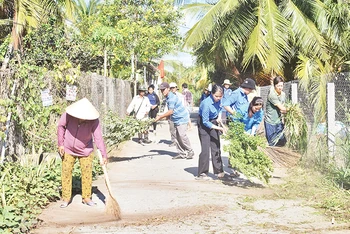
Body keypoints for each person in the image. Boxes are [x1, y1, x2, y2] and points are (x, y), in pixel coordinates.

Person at [57, 98, 108, 208]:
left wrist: (103, 155)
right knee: (66, 172)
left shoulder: (94, 121)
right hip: (68, 148)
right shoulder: (68, 115)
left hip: (86, 150)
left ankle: (86, 198)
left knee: (87, 174)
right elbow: (61, 126)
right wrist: (60, 143)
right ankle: (66, 198)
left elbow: (98, 137)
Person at [155, 82, 194, 159]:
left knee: (182, 135)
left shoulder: (171, 98)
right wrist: (166, 117)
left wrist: (160, 117)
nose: (162, 91)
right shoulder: (168, 97)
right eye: (161, 90)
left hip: (181, 118)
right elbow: (171, 111)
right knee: (177, 136)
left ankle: (190, 151)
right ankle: (181, 153)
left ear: (168, 89)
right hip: (176, 118)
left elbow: (170, 111)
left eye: (164, 90)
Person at [196, 85, 226, 180]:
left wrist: (219, 117)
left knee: (216, 147)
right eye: (216, 96)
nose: (218, 98)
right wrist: (219, 128)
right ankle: (202, 173)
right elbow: (205, 122)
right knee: (205, 149)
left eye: (220, 96)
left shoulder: (220, 100)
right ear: (212, 94)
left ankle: (219, 171)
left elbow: (220, 109)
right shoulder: (206, 103)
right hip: (204, 124)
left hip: (213, 121)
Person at [264, 76, 287, 146]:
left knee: (282, 142)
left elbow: (283, 110)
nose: (280, 87)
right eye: (278, 86)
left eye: (281, 85)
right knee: (272, 143)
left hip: (278, 122)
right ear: (274, 85)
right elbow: (282, 108)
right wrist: (292, 109)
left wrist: (285, 120)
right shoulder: (272, 95)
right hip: (270, 122)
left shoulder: (283, 95)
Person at [168, 82, 185, 147]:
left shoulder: (180, 96)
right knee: (172, 129)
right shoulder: (168, 96)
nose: (172, 89)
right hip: (171, 115)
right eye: (171, 88)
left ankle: (180, 142)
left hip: (179, 115)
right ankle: (173, 141)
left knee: (179, 130)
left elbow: (183, 105)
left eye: (173, 88)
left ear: (176, 88)